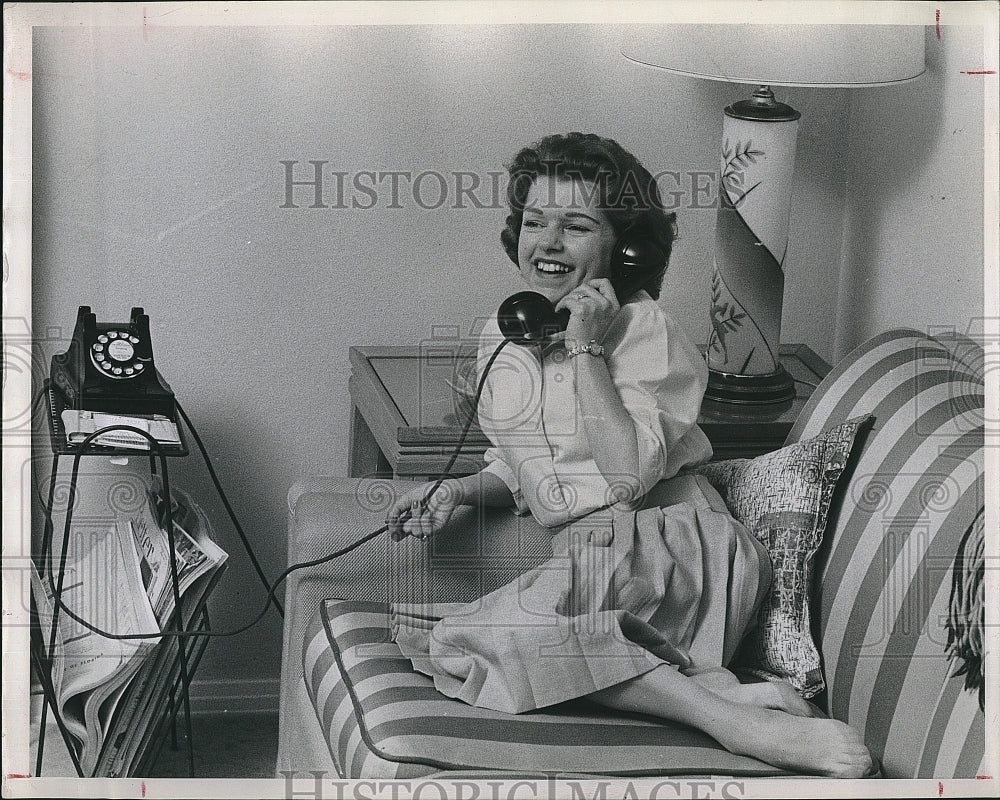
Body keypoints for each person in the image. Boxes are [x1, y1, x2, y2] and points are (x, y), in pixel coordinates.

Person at [386, 132, 874, 778]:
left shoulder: (647, 334)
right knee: (461, 640)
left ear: (627, 248)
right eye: (535, 221)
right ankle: (725, 693)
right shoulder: (503, 339)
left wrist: (587, 351)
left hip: (670, 543)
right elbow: (529, 468)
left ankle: (736, 726)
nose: (548, 242)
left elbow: (622, 476)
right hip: (592, 557)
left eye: (577, 225)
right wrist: (459, 492)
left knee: (509, 634)